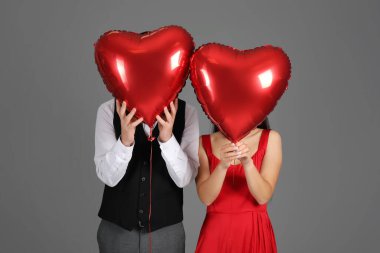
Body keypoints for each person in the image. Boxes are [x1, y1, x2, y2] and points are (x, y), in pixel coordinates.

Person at [94, 97, 199, 253]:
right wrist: (124, 141)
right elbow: (107, 177)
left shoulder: (187, 112)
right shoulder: (108, 109)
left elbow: (184, 179)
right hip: (117, 231)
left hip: (167, 232)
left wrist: (167, 140)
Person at [195, 118, 282, 253]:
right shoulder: (204, 142)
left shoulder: (271, 138)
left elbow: (263, 197)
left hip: (254, 231)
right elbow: (206, 198)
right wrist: (222, 165)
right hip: (216, 233)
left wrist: (248, 164)